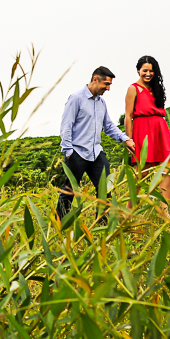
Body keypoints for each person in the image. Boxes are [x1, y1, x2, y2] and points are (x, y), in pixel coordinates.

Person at [56, 66, 136, 222]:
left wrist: (124, 138)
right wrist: (68, 151)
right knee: (69, 191)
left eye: (110, 84)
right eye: (106, 84)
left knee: (105, 190)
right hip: (77, 153)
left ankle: (103, 226)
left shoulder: (101, 103)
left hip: (96, 153)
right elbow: (66, 126)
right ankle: (60, 225)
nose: (108, 88)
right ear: (95, 79)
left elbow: (109, 126)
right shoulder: (76, 98)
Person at [123, 55, 170, 201]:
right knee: (142, 173)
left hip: (160, 129)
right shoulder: (133, 89)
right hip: (142, 130)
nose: (148, 74)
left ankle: (164, 210)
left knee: (168, 170)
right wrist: (129, 139)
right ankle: (130, 211)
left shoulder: (156, 89)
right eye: (145, 70)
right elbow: (128, 116)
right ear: (138, 70)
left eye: (151, 71)